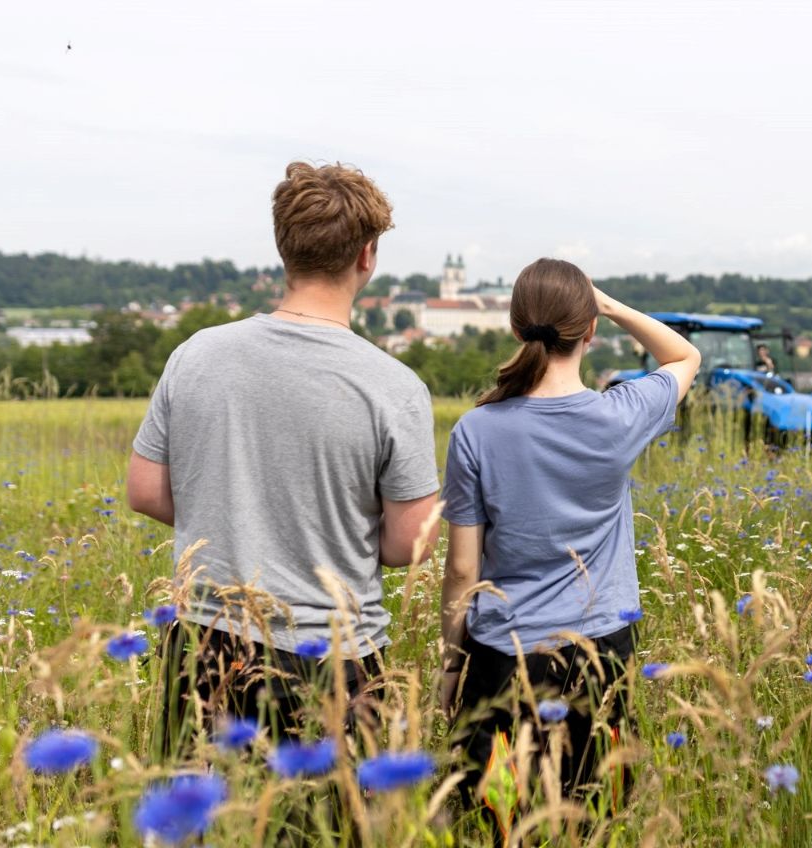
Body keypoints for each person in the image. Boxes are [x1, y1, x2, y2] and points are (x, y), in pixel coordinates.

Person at [127, 161, 441, 757]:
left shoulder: (195, 355)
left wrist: (234, 520)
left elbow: (144, 491)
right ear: (367, 255)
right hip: (333, 659)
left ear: (282, 248)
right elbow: (408, 546)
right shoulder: (393, 387)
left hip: (204, 645)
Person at [439, 259, 700, 830]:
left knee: (499, 821)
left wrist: (451, 668)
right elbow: (685, 357)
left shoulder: (475, 431)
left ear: (515, 328)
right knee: (592, 819)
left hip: (501, 661)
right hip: (600, 658)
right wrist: (608, 305)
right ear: (589, 332)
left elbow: (463, 570)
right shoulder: (620, 416)